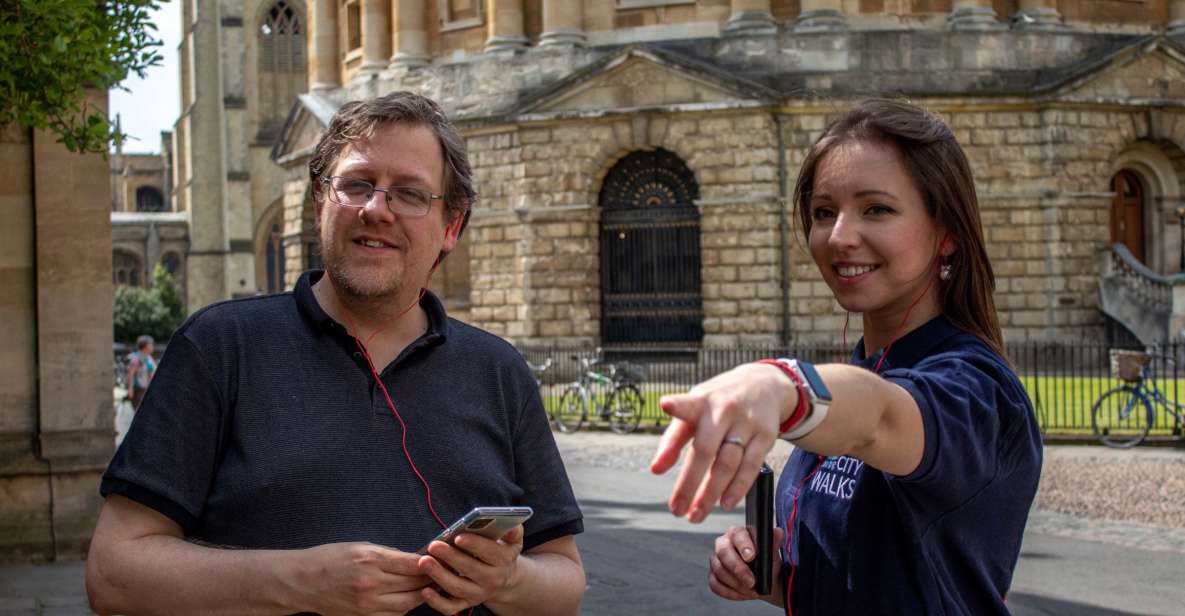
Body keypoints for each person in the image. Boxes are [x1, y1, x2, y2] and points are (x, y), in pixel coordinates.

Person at [87, 91, 586, 616]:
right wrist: (299, 581)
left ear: (451, 228)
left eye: (410, 194)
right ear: (319, 203)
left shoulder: (498, 370)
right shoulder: (219, 347)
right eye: (356, 185)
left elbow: (565, 578)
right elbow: (113, 575)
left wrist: (505, 581)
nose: (377, 210)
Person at [650, 99, 1042, 614]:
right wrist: (772, 576)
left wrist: (780, 382)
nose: (839, 237)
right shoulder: (857, 373)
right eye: (823, 212)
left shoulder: (974, 387)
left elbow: (880, 417)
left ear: (946, 234)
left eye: (876, 208)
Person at [124, 334, 156, 409]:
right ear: (146, 346)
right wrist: (130, 389)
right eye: (151, 344)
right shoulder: (136, 359)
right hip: (138, 390)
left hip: (147, 389)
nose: (152, 347)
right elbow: (130, 374)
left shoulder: (149, 358)